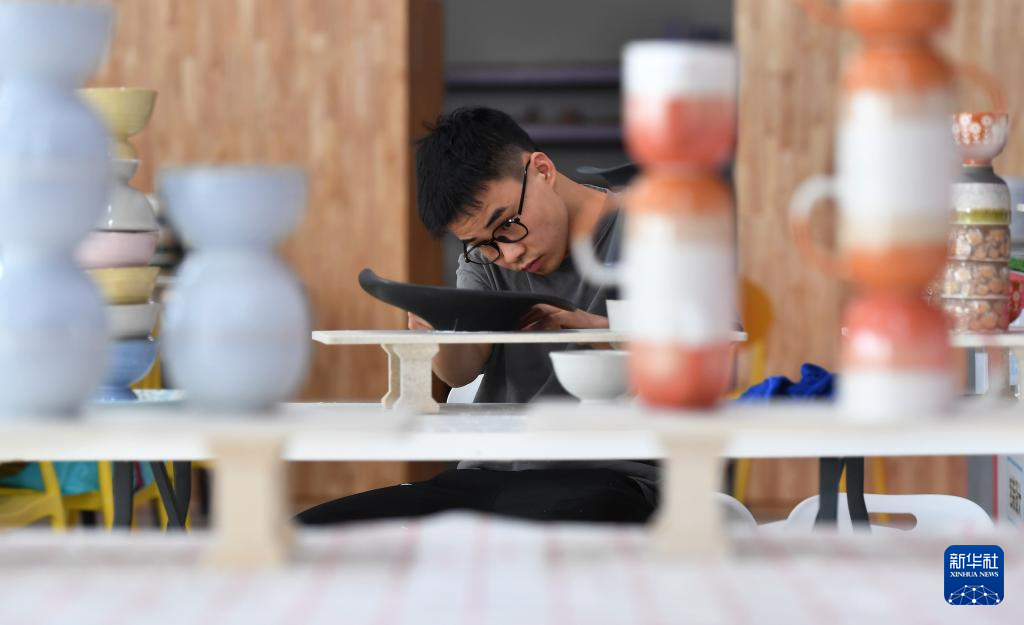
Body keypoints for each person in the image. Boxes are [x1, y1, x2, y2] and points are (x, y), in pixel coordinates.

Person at [298, 107, 657, 525]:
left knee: (550, 531)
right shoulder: (484, 258)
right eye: (482, 243)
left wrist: (598, 330)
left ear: (542, 170)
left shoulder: (654, 229)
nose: (509, 254)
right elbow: (460, 372)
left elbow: (713, 363)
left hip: (610, 477)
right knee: (311, 531)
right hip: (491, 471)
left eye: (507, 225)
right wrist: (434, 330)